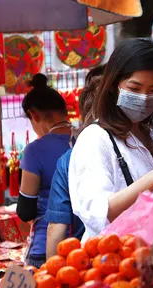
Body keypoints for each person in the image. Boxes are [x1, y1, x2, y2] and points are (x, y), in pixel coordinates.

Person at [68, 38, 153, 242]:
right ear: (113, 85)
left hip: (150, 255)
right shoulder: (94, 139)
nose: (144, 97)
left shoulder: (150, 136)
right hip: (113, 260)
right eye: (134, 89)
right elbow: (100, 213)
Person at [45, 65, 105, 257]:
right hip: (140, 253)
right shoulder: (150, 148)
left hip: (88, 260)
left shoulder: (70, 159)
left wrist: (50, 274)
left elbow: (57, 227)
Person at [17, 73, 72, 268]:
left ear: (34, 115)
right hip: (86, 244)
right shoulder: (88, 138)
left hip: (46, 248)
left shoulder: (35, 151)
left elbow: (25, 210)